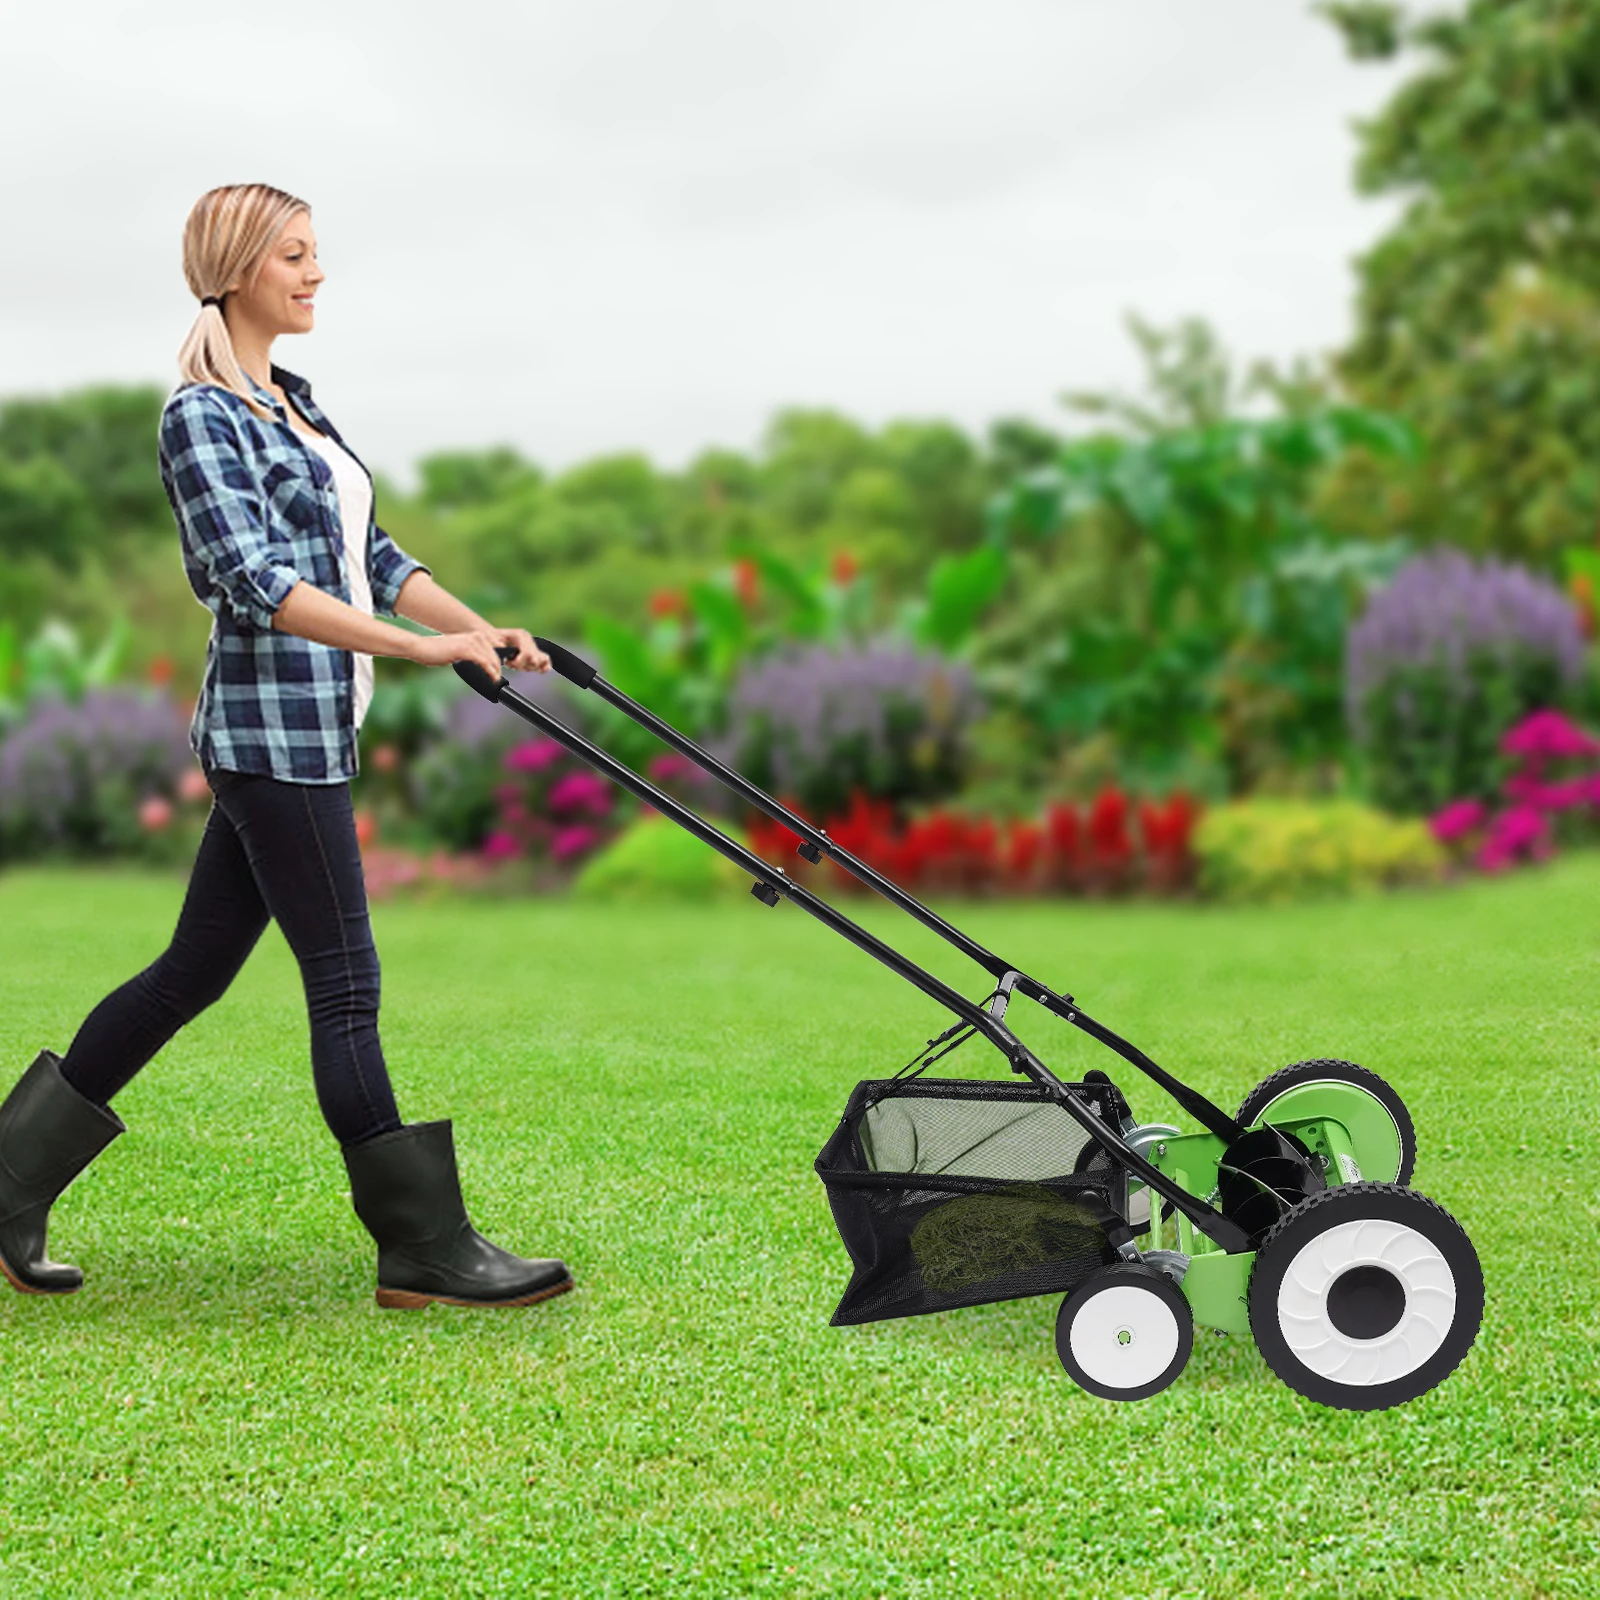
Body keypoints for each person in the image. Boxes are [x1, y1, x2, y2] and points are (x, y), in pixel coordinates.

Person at [0, 183, 573, 1312]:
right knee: (346, 986)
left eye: (318, 256)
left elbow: (375, 551)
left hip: (313, 733)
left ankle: (4, 1182)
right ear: (237, 267)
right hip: (272, 740)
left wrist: (472, 626)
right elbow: (253, 583)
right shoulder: (200, 415)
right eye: (294, 256)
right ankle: (421, 1246)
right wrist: (415, 649)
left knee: (187, 974)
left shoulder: (297, 405)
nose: (316, 275)